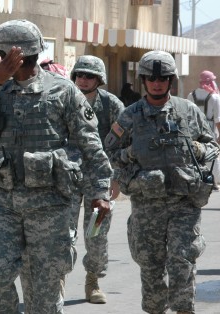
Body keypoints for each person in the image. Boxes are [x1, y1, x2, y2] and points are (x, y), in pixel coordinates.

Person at [0, 19, 113, 313]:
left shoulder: (63, 92)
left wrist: (101, 191)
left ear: (13, 56)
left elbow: (90, 145)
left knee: (43, 294)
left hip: (49, 205)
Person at [105, 50, 219, 314]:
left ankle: (183, 310)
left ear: (171, 80)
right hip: (147, 205)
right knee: (151, 266)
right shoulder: (130, 116)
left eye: (163, 78)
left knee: (182, 259)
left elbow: (211, 144)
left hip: (184, 203)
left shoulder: (187, 110)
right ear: (143, 80)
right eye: (152, 78)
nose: (157, 83)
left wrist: (198, 150)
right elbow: (109, 154)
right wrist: (129, 155)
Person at [67, 55, 125, 304]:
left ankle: (93, 280)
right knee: (62, 233)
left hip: (99, 179)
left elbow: (125, 143)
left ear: (99, 79)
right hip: (67, 176)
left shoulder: (112, 105)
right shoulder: (63, 98)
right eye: (79, 74)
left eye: (89, 76)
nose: (83, 79)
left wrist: (117, 178)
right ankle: (56, 280)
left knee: (96, 233)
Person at [187, 70, 220, 190]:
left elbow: (188, 115)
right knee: (213, 154)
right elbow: (218, 119)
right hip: (210, 128)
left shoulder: (191, 95)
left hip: (194, 129)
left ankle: (198, 178)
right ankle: (214, 181)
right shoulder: (215, 97)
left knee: (195, 153)